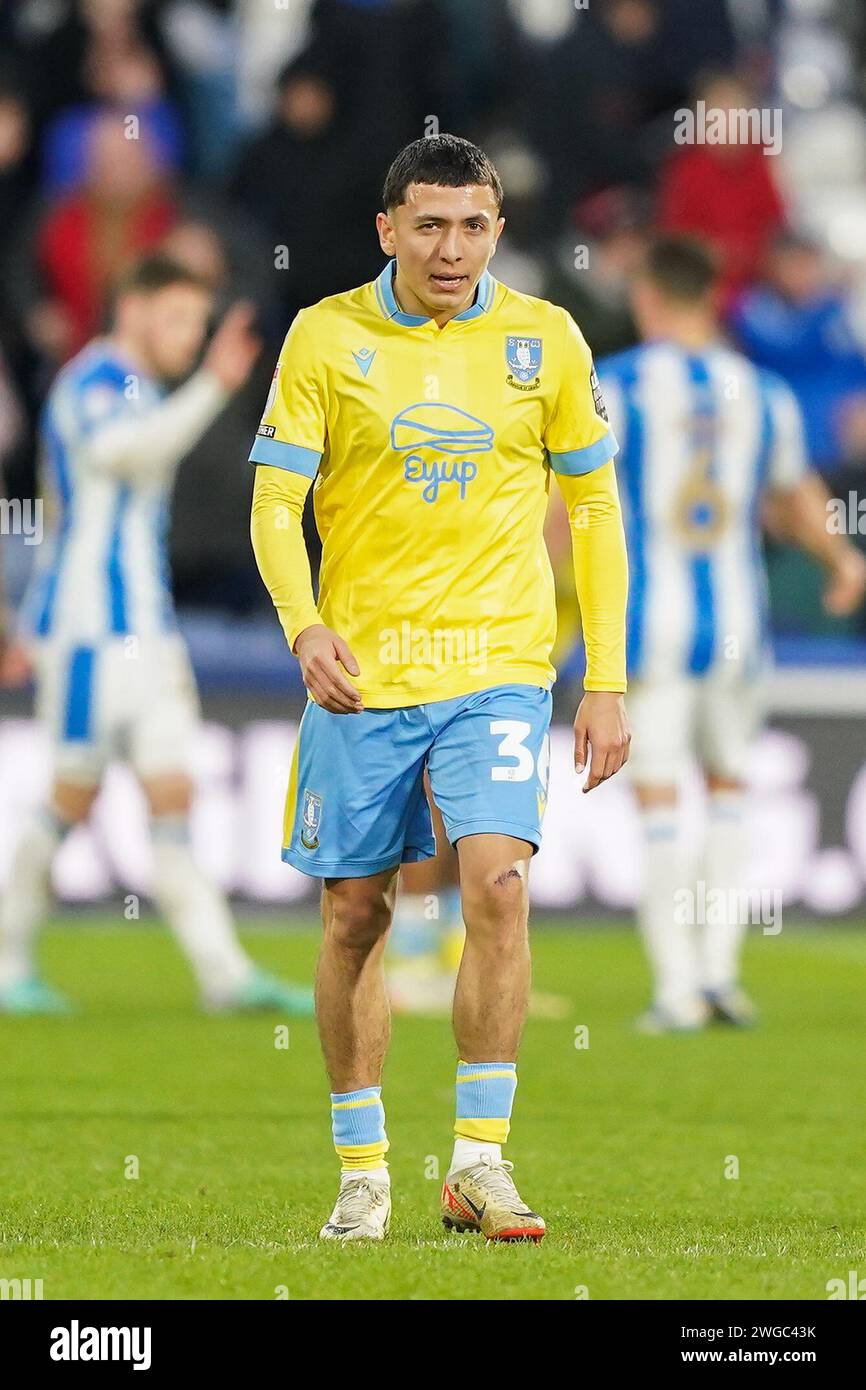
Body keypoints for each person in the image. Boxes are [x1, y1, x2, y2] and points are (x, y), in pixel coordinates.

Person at [250, 134, 630, 1242]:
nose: (450, 247)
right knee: (355, 910)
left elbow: (597, 514)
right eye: (428, 224)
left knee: (497, 885)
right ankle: (362, 1168)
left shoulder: (545, 340)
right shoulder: (325, 336)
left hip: (500, 667)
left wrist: (602, 678)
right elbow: (276, 501)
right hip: (363, 673)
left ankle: (477, 1162)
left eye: (472, 225)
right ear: (387, 230)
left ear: (497, 230)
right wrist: (305, 623)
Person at [0, 254, 313, 1018]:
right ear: (133, 310)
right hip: (89, 639)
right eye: (176, 319)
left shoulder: (138, 391)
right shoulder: (90, 385)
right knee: (69, 800)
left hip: (148, 634)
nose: (188, 338)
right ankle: (7, 965)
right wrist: (213, 383)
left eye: (196, 325)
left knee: (174, 801)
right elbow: (127, 453)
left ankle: (224, 976)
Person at [597, 235, 866, 1032]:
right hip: (738, 625)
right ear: (712, 298)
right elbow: (795, 496)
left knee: (658, 798)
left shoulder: (614, 387)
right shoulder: (761, 391)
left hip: (649, 626)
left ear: (648, 297)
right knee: (727, 790)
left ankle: (676, 986)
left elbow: (562, 502)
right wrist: (842, 560)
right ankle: (720, 974)